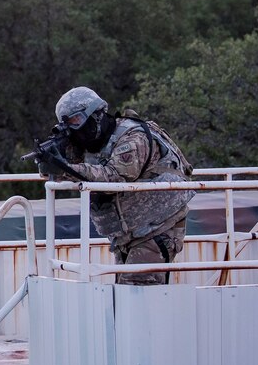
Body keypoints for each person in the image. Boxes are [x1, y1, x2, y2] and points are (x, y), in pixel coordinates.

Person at [39, 86, 195, 285]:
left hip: (159, 227)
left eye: (77, 121)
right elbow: (58, 172)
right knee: (124, 297)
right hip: (129, 234)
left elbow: (115, 177)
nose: (76, 130)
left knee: (136, 292)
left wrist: (64, 166)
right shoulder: (89, 142)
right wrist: (53, 158)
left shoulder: (133, 137)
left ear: (96, 114)